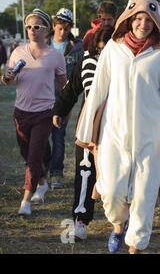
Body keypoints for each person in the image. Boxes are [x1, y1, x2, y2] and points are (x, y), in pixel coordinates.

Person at [76, 0, 160, 254]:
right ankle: (117, 224)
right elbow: (99, 88)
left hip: (151, 134)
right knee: (112, 192)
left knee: (144, 196)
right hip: (113, 132)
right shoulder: (113, 48)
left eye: (149, 19)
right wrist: (85, 130)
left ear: (156, 22)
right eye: (138, 19)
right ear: (129, 19)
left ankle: (135, 245)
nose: (143, 24)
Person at [0, 9, 66, 216]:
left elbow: (64, 87)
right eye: (29, 26)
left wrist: (64, 109)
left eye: (36, 27)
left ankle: (26, 200)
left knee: (35, 154)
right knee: (26, 153)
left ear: (46, 30)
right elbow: (8, 81)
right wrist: (6, 77)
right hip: (21, 112)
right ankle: (43, 182)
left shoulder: (55, 56)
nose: (31, 30)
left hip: (44, 112)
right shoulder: (18, 52)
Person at [52, 25, 114, 240]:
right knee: (85, 171)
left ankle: (122, 220)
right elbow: (71, 88)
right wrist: (60, 110)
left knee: (119, 173)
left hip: (118, 127)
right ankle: (80, 219)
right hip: (89, 126)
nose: (103, 54)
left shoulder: (125, 62)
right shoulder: (87, 60)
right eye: (100, 49)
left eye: (108, 49)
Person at [44, 8, 84, 189]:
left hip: (62, 100)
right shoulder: (43, 44)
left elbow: (77, 76)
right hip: (41, 98)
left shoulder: (76, 48)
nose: (63, 32)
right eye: (60, 28)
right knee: (41, 138)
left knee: (58, 138)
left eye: (67, 29)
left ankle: (57, 173)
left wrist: (67, 106)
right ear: (54, 26)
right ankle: (43, 171)